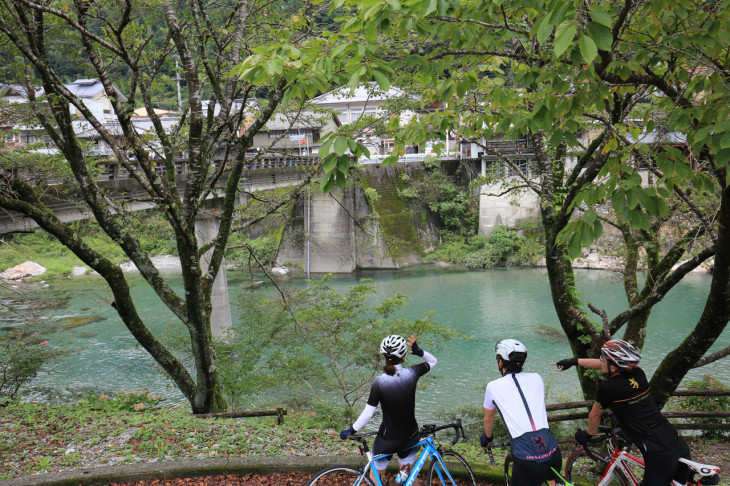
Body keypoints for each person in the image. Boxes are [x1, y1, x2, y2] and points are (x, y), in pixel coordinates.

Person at [554, 339, 691, 485]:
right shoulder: (639, 374)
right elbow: (607, 365)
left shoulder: (608, 387)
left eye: (603, 358)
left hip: (658, 452)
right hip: (675, 440)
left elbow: (595, 415)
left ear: (613, 367)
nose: (601, 361)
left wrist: (587, 435)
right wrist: (574, 361)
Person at [339, 334, 437, 483]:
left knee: (375, 479)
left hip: (387, 440)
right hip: (409, 437)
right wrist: (419, 351)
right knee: (410, 479)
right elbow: (433, 361)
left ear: (384, 355)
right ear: (403, 356)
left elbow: (368, 413)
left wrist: (351, 430)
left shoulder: (379, 382)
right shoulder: (412, 373)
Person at [482, 339, 562, 486]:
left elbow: (488, 419)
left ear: (500, 362)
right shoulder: (537, 378)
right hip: (552, 451)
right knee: (552, 479)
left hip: (526, 457)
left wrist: (487, 438)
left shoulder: (493, 387)